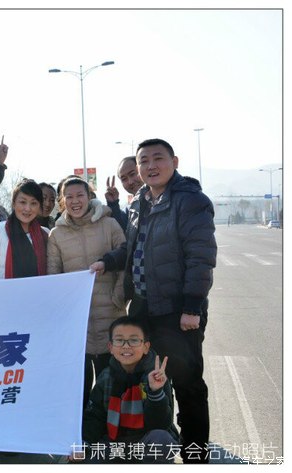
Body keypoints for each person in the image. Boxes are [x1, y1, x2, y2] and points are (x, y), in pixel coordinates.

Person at [90, 138, 217, 463]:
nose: (150, 166)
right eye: (143, 161)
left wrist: (192, 307)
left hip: (177, 311)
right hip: (143, 307)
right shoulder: (139, 202)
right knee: (149, 378)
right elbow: (132, 249)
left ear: (174, 162)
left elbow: (201, 256)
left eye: (158, 158)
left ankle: (195, 456)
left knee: (187, 384)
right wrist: (107, 261)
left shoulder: (190, 201)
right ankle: (153, 446)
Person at [47, 177, 126, 408]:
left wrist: (118, 297)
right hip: (77, 322)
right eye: (69, 197)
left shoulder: (109, 224)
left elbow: (125, 258)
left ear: (89, 196)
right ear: (62, 201)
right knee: (78, 388)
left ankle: (109, 428)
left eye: (80, 195)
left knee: (111, 385)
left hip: (110, 314)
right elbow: (54, 278)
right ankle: (82, 428)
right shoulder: (56, 234)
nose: (75, 201)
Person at [79, 316, 179, 463]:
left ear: (146, 347)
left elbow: (161, 425)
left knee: (161, 440)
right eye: (119, 340)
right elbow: (95, 416)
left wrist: (155, 392)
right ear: (110, 347)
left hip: (144, 442)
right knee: (80, 457)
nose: (126, 346)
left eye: (134, 340)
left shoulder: (156, 376)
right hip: (114, 443)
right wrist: (85, 443)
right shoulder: (106, 377)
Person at [0, 179, 49, 280]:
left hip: (39, 290)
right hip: (3, 290)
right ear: (13, 203)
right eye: (23, 202)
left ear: (39, 206)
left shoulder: (45, 234)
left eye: (33, 203)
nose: (27, 208)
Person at [104, 156, 143, 231]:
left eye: (132, 174)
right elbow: (120, 232)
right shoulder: (130, 210)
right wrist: (113, 204)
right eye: (124, 179)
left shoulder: (164, 201)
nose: (130, 182)